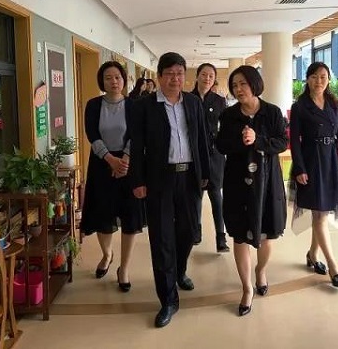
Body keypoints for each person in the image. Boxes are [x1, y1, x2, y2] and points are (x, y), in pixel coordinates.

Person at [129, 52, 210, 328]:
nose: (175, 79)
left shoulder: (193, 103)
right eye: (170, 73)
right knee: (162, 238)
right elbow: (137, 146)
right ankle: (168, 300)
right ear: (159, 76)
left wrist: (205, 173)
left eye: (180, 73)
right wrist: (137, 181)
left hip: (189, 177)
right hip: (159, 179)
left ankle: (179, 271)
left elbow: (201, 140)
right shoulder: (144, 106)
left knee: (189, 232)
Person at [215, 65, 288, 317]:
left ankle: (260, 270)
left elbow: (282, 142)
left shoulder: (272, 112)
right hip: (237, 182)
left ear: (254, 84)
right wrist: (241, 139)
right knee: (239, 235)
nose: (238, 89)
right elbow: (221, 145)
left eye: (243, 84)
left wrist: (258, 140)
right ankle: (246, 288)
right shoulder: (229, 115)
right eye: (235, 85)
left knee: (268, 234)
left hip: (267, 182)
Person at [289, 62, 338, 288]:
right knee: (319, 215)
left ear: (328, 79)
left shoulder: (334, 104)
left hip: (331, 161)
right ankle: (333, 266)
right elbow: (294, 141)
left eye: (323, 76)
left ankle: (312, 254)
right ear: (307, 79)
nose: (319, 81)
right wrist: (299, 168)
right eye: (314, 76)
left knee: (322, 212)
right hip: (311, 162)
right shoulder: (300, 107)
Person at [80, 61, 145, 293]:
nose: (113, 81)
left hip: (128, 165)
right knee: (103, 214)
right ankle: (107, 255)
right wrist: (110, 159)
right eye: (108, 78)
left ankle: (124, 268)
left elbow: (137, 134)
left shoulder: (134, 105)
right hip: (101, 164)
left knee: (130, 216)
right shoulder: (93, 105)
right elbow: (92, 134)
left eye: (117, 77)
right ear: (102, 81)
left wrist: (124, 159)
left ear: (123, 80)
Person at [191, 63, 229, 252]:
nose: (207, 78)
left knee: (216, 195)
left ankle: (221, 237)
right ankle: (196, 231)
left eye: (211, 76)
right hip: (194, 154)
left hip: (215, 154)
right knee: (196, 194)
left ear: (214, 79)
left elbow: (226, 127)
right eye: (204, 74)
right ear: (197, 76)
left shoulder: (219, 101)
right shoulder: (187, 99)